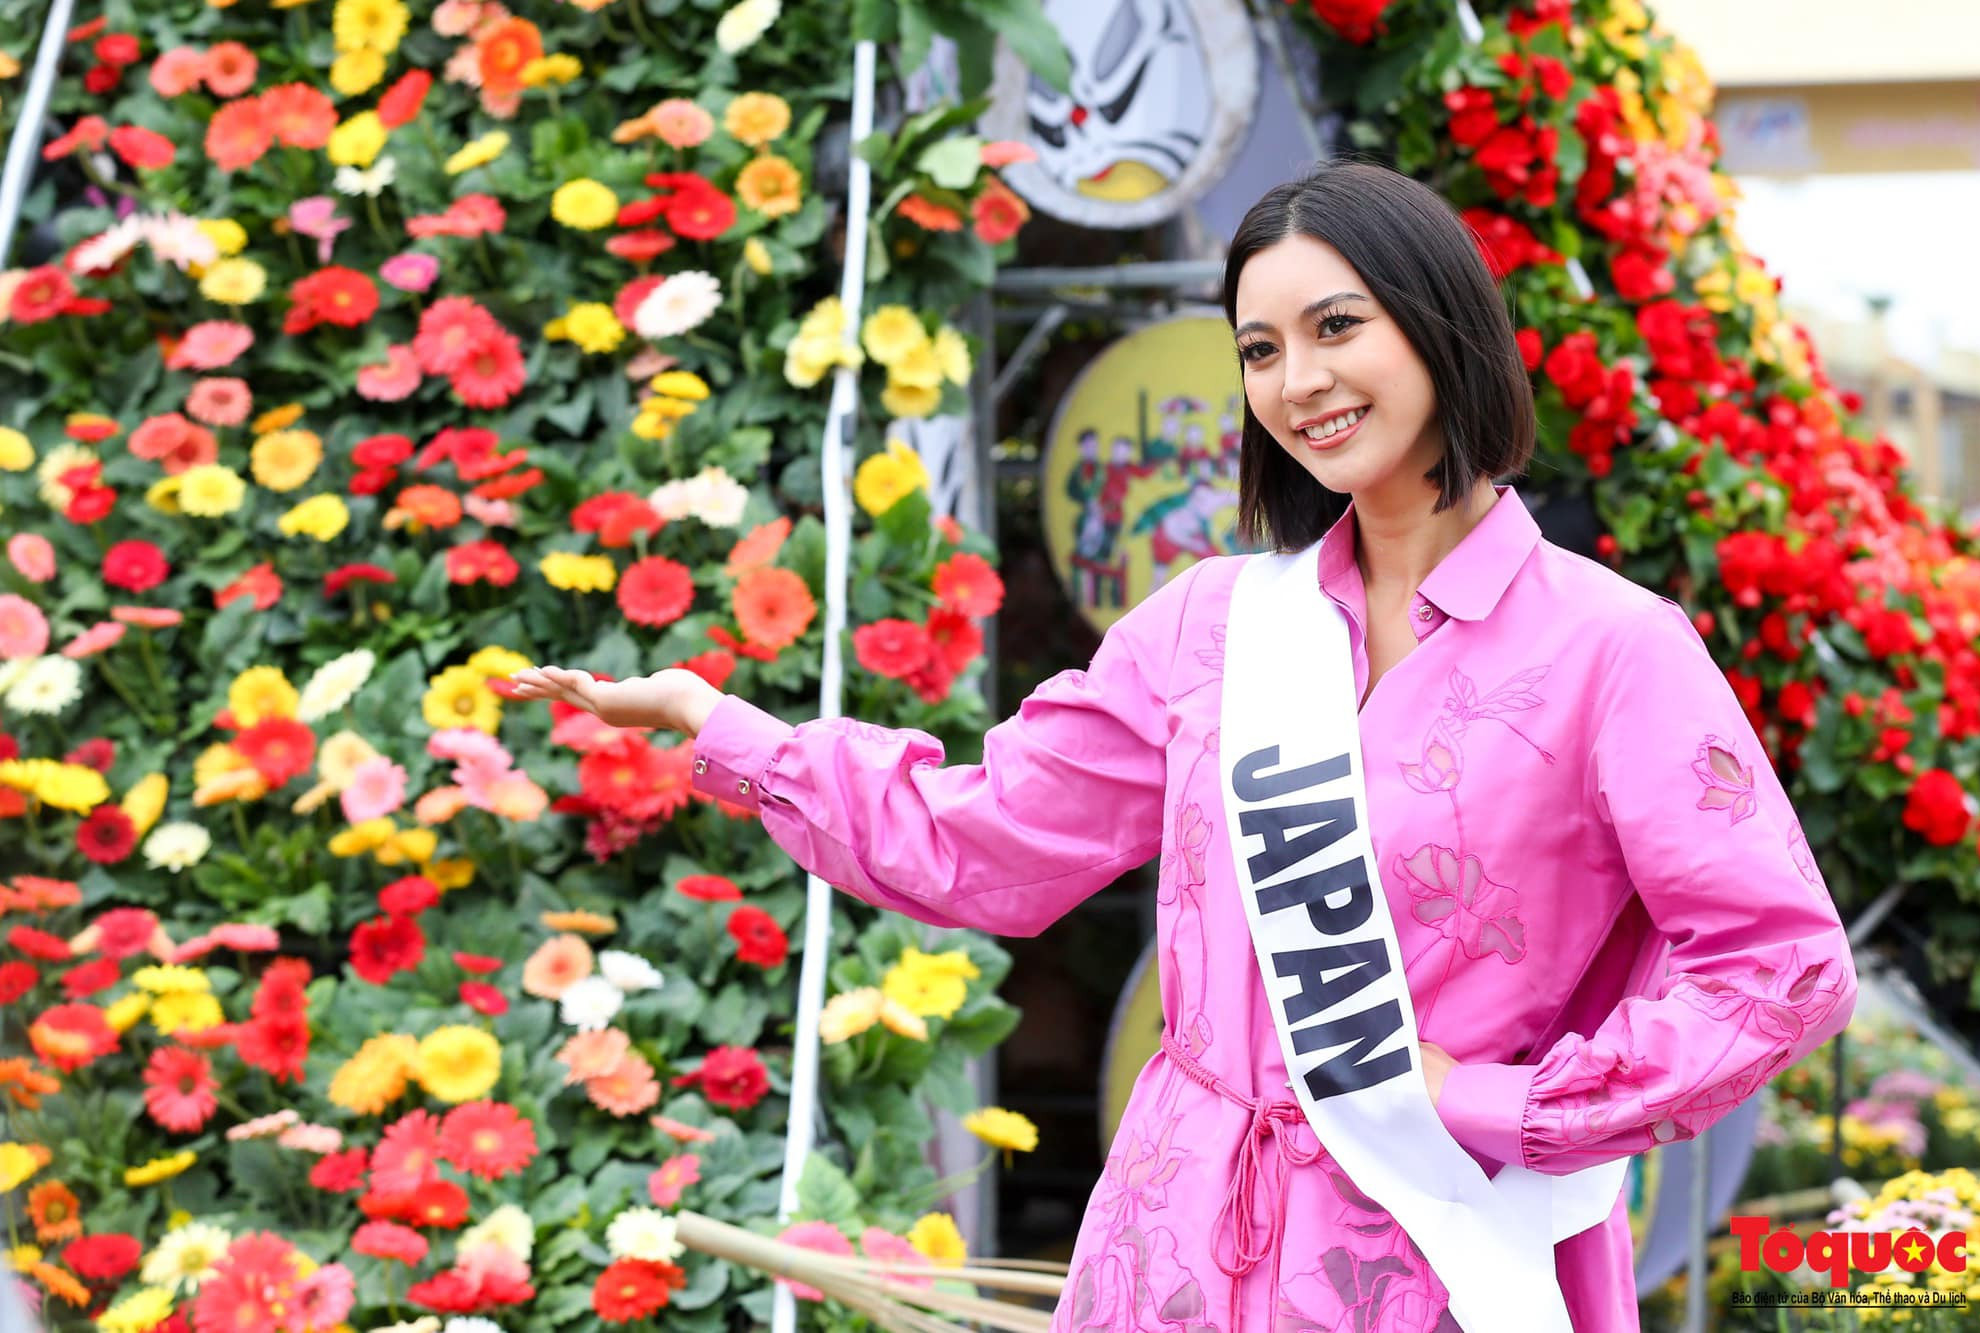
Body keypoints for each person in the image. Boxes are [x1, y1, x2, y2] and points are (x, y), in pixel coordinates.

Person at [511, 161, 1857, 1332]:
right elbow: (983, 839)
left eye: (1339, 327)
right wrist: (725, 726)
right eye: (1261, 348)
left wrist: (1502, 1102)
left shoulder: (1612, 649)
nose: (1300, 381)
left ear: (1442, 328)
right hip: (1169, 1259)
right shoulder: (1215, 627)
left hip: (1439, 1261)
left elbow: (1780, 968)